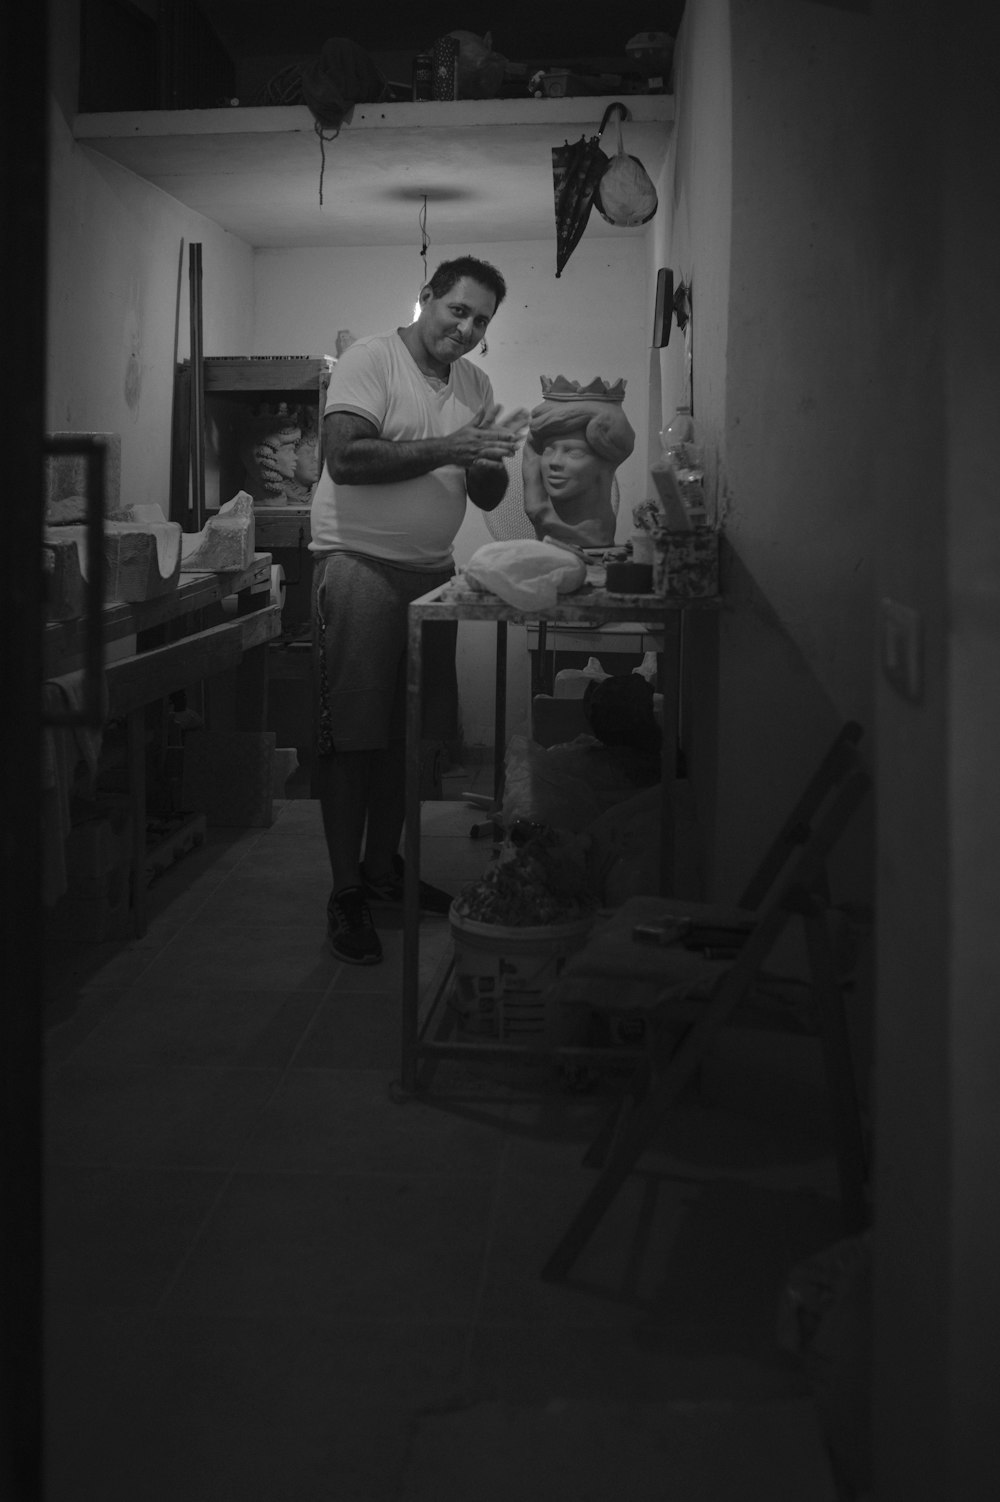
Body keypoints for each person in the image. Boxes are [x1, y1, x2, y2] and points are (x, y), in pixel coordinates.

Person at [310, 255, 528, 964]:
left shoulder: (475, 383)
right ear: (426, 299)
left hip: (433, 576)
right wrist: (451, 445)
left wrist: (489, 458)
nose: (466, 329)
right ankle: (346, 891)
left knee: (409, 737)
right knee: (354, 736)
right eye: (457, 310)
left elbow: (486, 495)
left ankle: (383, 869)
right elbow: (346, 459)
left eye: (481, 321)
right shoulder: (369, 361)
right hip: (359, 566)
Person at [521, 378, 635, 548]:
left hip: (596, 546)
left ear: (606, 463)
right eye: (549, 450)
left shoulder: (610, 443)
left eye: (574, 452)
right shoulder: (538, 510)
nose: (554, 462)